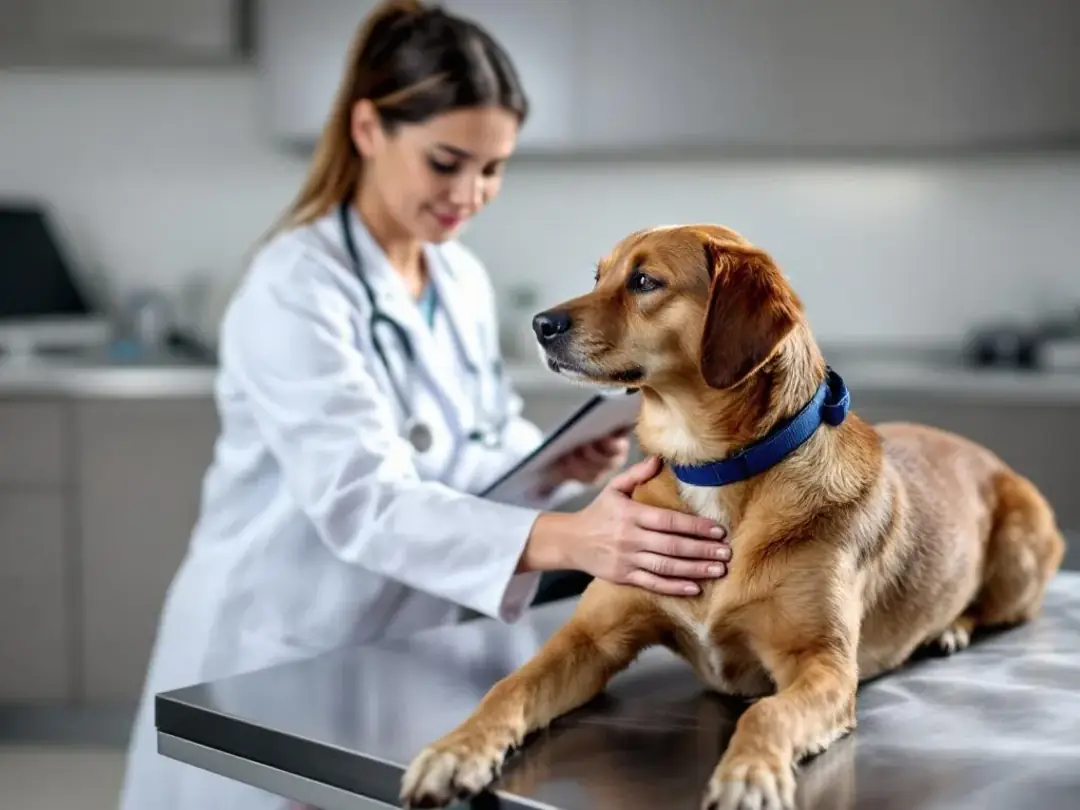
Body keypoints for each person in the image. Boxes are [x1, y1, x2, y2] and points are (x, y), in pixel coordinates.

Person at [118, 2, 732, 807]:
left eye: (493, 167)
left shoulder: (459, 279)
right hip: (273, 648)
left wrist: (547, 466)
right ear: (368, 129)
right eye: (447, 162)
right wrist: (569, 538)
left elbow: (463, 442)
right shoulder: (294, 287)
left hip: (404, 644)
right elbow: (363, 498)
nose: (471, 193)